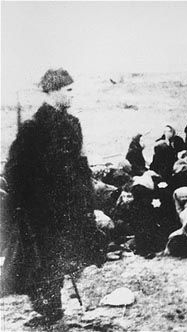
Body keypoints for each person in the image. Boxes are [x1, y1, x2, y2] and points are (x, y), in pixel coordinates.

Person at [0, 68, 105, 326]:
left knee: (62, 257)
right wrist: (24, 204)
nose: (73, 95)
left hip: (68, 208)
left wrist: (88, 202)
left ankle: (52, 309)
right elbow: (14, 170)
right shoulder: (33, 128)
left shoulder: (72, 124)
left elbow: (81, 167)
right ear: (53, 91)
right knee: (42, 261)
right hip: (41, 212)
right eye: (69, 90)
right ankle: (49, 310)